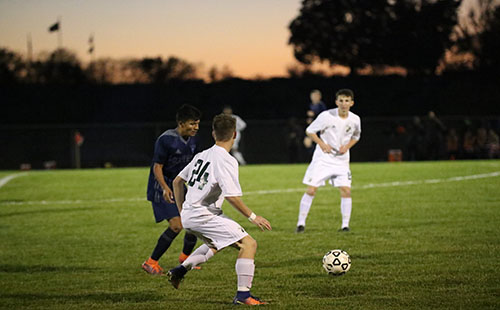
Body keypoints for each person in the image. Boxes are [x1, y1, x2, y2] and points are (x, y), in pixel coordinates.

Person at [167, 113, 272, 306]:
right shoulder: (226, 160)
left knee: (216, 244)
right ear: (234, 135)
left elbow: (177, 181)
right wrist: (253, 217)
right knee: (248, 244)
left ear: (214, 134)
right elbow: (232, 196)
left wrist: (182, 211)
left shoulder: (202, 155)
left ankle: (179, 271)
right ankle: (243, 295)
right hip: (203, 215)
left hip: (193, 214)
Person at [142, 104, 202, 275]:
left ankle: (185, 259)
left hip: (179, 184)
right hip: (162, 185)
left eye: (197, 124)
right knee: (177, 226)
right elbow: (157, 167)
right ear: (181, 123)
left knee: (193, 221)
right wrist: (164, 187)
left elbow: (193, 164)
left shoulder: (195, 140)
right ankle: (150, 262)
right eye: (192, 124)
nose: (195, 128)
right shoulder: (166, 139)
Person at [295, 89, 361, 233]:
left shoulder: (355, 119)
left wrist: (347, 147)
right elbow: (310, 130)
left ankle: (345, 226)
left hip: (342, 161)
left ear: (352, 103)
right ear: (337, 102)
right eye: (341, 101)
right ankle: (301, 224)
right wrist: (322, 144)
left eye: (347, 101)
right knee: (312, 189)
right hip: (323, 159)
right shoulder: (326, 116)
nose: (344, 104)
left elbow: (356, 136)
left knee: (346, 191)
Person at [304, 89, 327, 156]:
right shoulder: (310, 105)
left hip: (320, 129)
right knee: (307, 142)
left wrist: (314, 115)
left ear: (319, 96)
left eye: (315, 96)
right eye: (312, 96)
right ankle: (314, 158)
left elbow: (323, 117)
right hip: (312, 128)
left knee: (319, 144)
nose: (314, 97)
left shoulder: (321, 106)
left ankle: (319, 158)